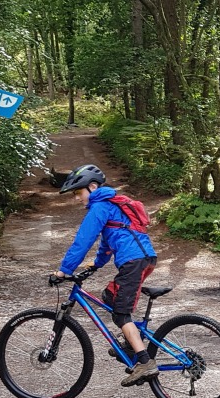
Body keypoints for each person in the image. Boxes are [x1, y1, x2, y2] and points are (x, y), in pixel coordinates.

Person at [52, 164, 160, 386]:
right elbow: (108, 241)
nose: (76, 198)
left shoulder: (99, 207)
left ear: (92, 187)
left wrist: (65, 270)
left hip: (133, 261)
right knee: (110, 296)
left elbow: (83, 240)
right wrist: (96, 265)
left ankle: (144, 361)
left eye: (78, 192)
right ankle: (132, 342)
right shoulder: (111, 205)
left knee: (121, 314)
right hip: (144, 258)